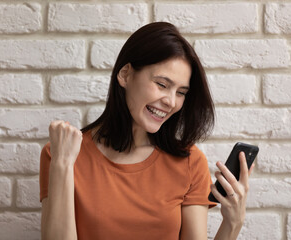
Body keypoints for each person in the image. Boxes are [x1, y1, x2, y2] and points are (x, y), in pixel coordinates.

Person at [39, 22, 254, 240]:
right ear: (125, 74)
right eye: (162, 84)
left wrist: (233, 223)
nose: (171, 101)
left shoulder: (190, 162)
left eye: (180, 92)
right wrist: (62, 164)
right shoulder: (62, 153)